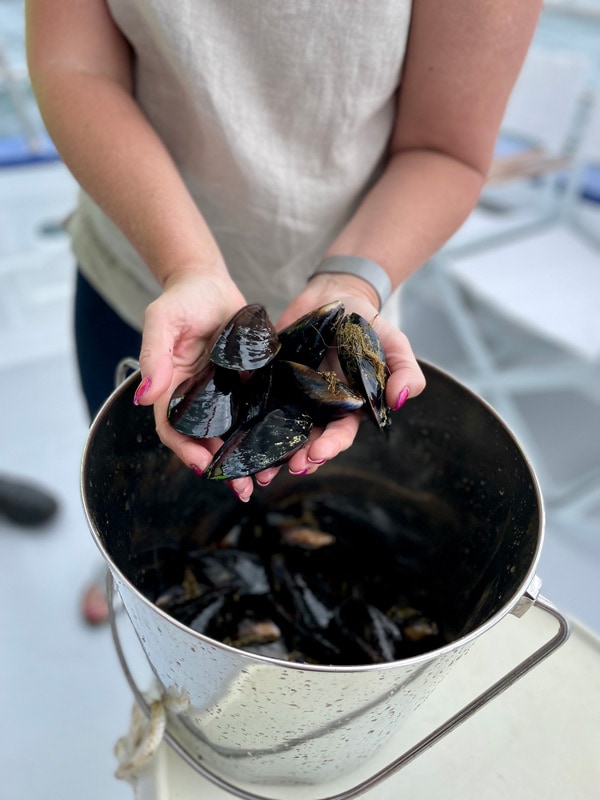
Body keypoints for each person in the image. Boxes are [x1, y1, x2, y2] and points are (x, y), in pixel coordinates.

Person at [25, 0, 543, 624]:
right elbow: (75, 69)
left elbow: (445, 150)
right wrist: (186, 266)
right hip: (140, 269)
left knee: (274, 491)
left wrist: (354, 281)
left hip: (354, 275)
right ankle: (120, 569)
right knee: (139, 496)